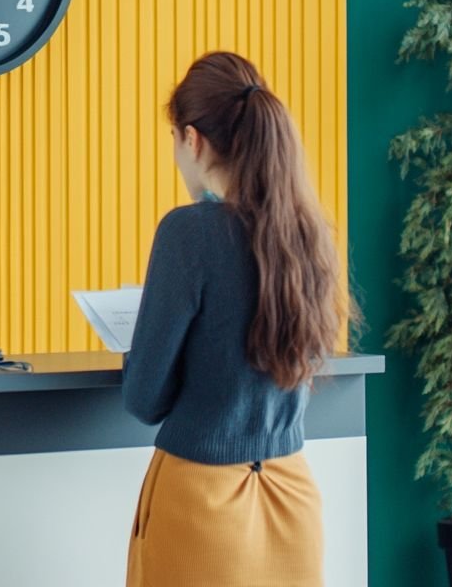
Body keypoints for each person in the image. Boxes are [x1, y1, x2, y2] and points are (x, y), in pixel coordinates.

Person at [122, 52, 346, 587]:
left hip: (202, 506)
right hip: (293, 498)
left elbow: (143, 399)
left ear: (192, 139)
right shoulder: (309, 235)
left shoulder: (188, 233)